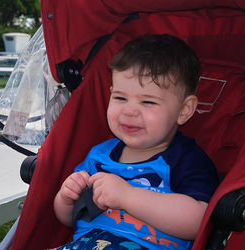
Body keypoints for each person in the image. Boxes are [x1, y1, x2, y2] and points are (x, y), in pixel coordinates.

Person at [52, 34, 220, 250]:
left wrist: (127, 196)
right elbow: (69, 218)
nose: (129, 111)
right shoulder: (98, 155)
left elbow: (199, 221)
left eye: (148, 101)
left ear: (184, 110)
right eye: (120, 98)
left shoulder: (186, 160)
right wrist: (66, 198)